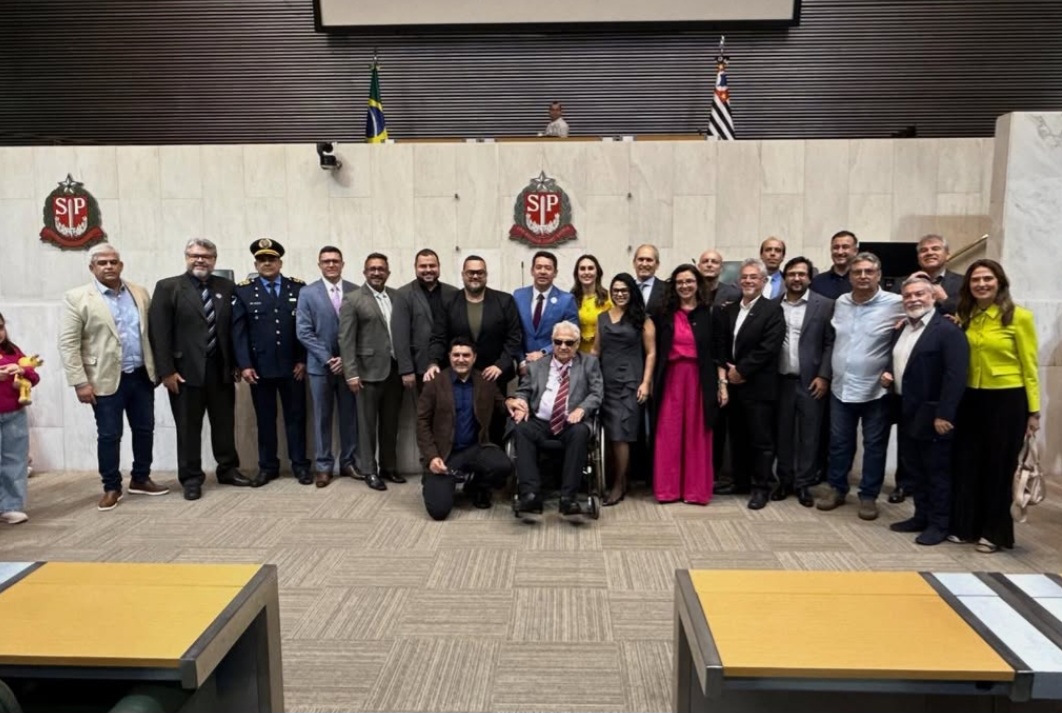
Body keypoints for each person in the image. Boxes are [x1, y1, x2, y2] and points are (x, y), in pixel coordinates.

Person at [58, 244, 166, 511]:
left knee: (145, 429)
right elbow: (68, 343)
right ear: (92, 267)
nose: (109, 266)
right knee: (109, 435)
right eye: (102, 262)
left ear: (121, 265)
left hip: (141, 375)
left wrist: (159, 369)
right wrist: (80, 381)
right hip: (103, 379)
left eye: (113, 262)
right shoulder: (77, 297)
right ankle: (111, 487)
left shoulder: (139, 292)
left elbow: (152, 333)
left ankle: (140, 478)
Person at [150, 238, 251, 501]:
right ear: (186, 257)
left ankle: (228, 469)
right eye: (194, 255)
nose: (200, 260)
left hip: (221, 370)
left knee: (224, 424)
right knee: (188, 428)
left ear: (214, 260)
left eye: (206, 256)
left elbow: (234, 329)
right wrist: (166, 371)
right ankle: (191, 478)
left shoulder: (227, 287)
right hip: (184, 372)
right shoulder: (168, 287)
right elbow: (159, 333)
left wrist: (237, 364)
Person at [950, 259, 1040, 553]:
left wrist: (1034, 411)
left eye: (987, 279)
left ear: (999, 282)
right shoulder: (966, 315)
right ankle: (968, 527)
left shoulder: (1018, 317)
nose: (981, 284)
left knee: (999, 467)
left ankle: (995, 533)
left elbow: (1030, 367)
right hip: (970, 398)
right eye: (975, 280)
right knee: (968, 464)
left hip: (1007, 399)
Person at [879, 276, 968, 546]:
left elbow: (955, 376)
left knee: (937, 472)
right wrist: (888, 373)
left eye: (919, 294)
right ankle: (920, 516)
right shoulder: (902, 328)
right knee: (915, 470)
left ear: (933, 297)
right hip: (907, 411)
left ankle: (939, 524)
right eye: (908, 295)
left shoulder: (948, 330)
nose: (913, 299)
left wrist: (945, 414)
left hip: (934, 415)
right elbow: (900, 361)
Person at [815, 252, 904, 520]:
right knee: (839, 443)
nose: (863, 276)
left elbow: (921, 321)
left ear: (879, 275)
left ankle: (868, 496)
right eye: (858, 272)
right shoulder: (842, 302)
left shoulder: (896, 303)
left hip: (876, 390)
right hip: (841, 387)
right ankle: (837, 489)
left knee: (874, 445)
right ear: (851, 276)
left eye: (869, 271)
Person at [232, 238, 310, 486]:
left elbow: (306, 328)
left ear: (280, 263)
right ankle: (267, 467)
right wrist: (245, 364)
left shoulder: (298, 288)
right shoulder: (244, 291)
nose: (267, 263)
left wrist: (303, 360)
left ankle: (300, 465)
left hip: (293, 368)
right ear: (256, 264)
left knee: (296, 418)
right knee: (265, 420)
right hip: (260, 369)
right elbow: (239, 332)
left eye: (272, 259)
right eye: (262, 260)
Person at [507, 321, 604, 518]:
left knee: (580, 432)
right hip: (540, 421)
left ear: (577, 344)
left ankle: (568, 498)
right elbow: (523, 391)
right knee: (521, 428)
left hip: (572, 422)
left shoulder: (589, 363)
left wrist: (582, 409)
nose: (563, 347)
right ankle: (530, 494)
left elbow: (597, 393)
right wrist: (521, 403)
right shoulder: (537, 366)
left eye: (569, 342)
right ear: (552, 342)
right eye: (558, 342)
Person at [652, 265, 726, 504]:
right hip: (671, 379)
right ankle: (668, 490)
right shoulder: (663, 314)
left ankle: (695, 491)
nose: (685, 286)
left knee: (697, 434)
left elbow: (719, 352)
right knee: (669, 432)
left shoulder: (711, 313)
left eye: (689, 281)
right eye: (680, 282)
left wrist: (722, 384)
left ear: (698, 284)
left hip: (700, 380)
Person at [417, 337, 513, 520]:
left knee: (503, 466)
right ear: (449, 356)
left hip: (475, 449)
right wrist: (431, 457)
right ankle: (435, 481)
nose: (461, 359)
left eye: (466, 355)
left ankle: (476, 486)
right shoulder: (435, 382)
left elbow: (501, 403)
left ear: (474, 357)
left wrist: (512, 402)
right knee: (438, 511)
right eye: (456, 355)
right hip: (444, 454)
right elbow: (422, 422)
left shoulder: (485, 381)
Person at [716, 259, 785, 510]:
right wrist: (728, 373)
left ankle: (761, 487)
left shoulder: (772, 310)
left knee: (760, 440)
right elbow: (722, 342)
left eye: (753, 277)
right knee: (738, 437)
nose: (748, 281)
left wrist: (742, 371)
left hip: (758, 386)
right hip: (734, 385)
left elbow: (769, 347)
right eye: (744, 277)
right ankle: (741, 481)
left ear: (763, 281)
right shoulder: (730, 309)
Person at [339, 253, 403, 492]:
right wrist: (351, 373)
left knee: (391, 423)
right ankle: (369, 470)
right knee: (366, 426)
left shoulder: (396, 296)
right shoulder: (353, 299)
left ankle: (389, 467)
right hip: (366, 373)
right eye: (372, 269)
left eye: (381, 269)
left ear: (388, 272)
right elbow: (345, 339)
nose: (377, 273)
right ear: (365, 272)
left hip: (394, 371)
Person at [773, 257, 834, 508]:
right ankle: (785, 480)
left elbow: (830, 342)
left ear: (810, 278)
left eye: (801, 274)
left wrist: (824, 375)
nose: (796, 278)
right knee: (783, 434)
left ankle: (804, 483)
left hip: (811, 381)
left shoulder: (825, 305)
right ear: (784, 277)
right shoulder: (773, 305)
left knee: (809, 435)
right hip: (780, 380)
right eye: (792, 274)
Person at [295, 246, 359, 488]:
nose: (331, 265)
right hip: (320, 368)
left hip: (349, 367)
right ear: (319, 265)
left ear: (342, 264)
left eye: (335, 261)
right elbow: (304, 331)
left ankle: (348, 462)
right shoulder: (307, 293)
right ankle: (323, 467)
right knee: (322, 418)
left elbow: (361, 330)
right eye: (326, 261)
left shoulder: (355, 291)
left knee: (349, 417)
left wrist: (346, 358)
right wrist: (328, 358)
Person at [592, 273, 655, 506]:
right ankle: (615, 478)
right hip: (605, 381)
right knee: (610, 434)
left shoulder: (642, 319)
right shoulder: (602, 317)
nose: (619, 294)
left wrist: (646, 382)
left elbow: (651, 353)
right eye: (616, 290)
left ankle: (619, 484)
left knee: (621, 434)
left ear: (631, 292)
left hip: (629, 383)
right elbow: (596, 350)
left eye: (624, 290)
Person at [425, 256, 523, 392]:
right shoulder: (448, 302)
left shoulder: (505, 301)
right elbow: (438, 337)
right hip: (457, 375)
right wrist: (433, 362)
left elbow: (514, 338)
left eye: (480, 272)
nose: (475, 276)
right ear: (463, 275)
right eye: (471, 272)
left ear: (486, 275)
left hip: (494, 376)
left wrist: (500, 365)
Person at [392, 248, 458, 392]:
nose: (428, 270)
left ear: (439, 267)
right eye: (423, 266)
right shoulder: (403, 294)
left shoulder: (453, 293)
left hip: (452, 364)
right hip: (420, 366)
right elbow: (400, 336)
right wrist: (406, 370)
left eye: (432, 266)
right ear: (415, 268)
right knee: (426, 405)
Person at [0, 313, 39, 525]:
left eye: (1, 328)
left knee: (15, 460)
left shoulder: (12, 351)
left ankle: (11, 506)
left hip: (14, 414)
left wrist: (22, 370)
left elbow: (34, 376)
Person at [513, 251, 579, 372]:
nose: (542, 271)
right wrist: (521, 362)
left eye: (548, 268)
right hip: (525, 367)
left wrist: (544, 352)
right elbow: (513, 332)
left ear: (555, 273)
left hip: (555, 365)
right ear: (532, 271)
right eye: (538, 267)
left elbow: (572, 336)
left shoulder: (566, 300)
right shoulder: (518, 296)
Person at [891, 234, 963, 316]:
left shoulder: (962, 282)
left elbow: (967, 313)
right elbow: (889, 310)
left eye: (935, 249)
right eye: (923, 250)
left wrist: (945, 300)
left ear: (947, 255)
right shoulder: (901, 282)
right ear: (918, 258)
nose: (929, 253)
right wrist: (906, 286)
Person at [571, 254, 612, 353]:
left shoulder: (609, 299)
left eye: (590, 268)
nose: (586, 272)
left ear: (597, 273)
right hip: (577, 355)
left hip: (603, 354)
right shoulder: (570, 299)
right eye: (582, 269)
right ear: (577, 274)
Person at [810, 230, 858, 300]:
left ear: (855, 251)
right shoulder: (817, 282)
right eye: (836, 247)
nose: (840, 252)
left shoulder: (862, 281)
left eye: (845, 247)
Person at [632, 244, 667, 316]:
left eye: (649, 260)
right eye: (641, 259)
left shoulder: (668, 289)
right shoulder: (627, 288)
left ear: (657, 264)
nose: (644, 264)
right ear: (634, 263)